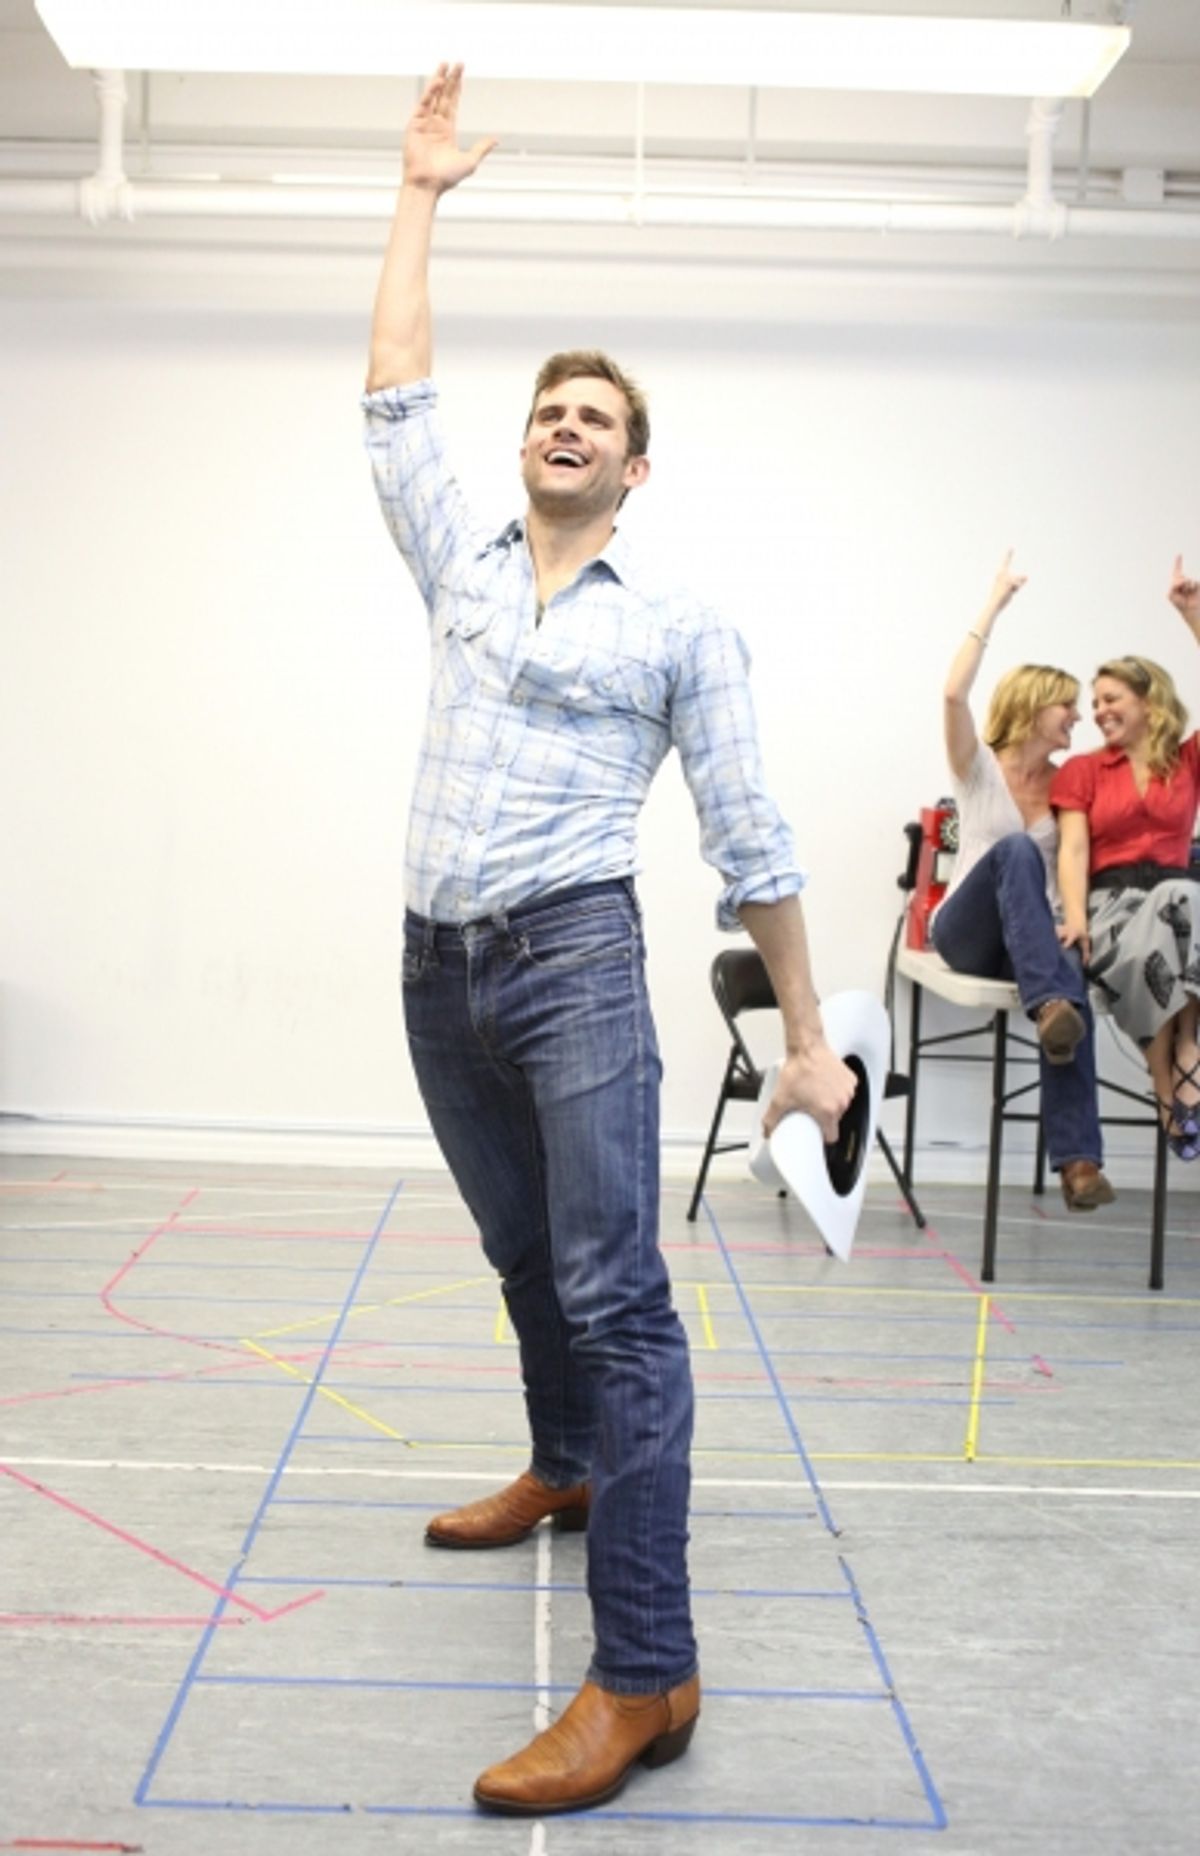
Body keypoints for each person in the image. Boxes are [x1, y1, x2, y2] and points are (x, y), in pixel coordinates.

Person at [361, 64, 856, 1817]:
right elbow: (394, 395)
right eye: (548, 409)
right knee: (522, 1255)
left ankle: (647, 1670)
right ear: (528, 446)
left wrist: (807, 1037)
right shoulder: (467, 564)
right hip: (438, 962)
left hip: (571, 963)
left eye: (597, 419)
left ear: (633, 469)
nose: (564, 426)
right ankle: (562, 1468)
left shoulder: (687, 625)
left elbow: (753, 838)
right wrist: (420, 192)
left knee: (618, 1299)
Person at [930, 553, 1114, 1211]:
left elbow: (1073, 865)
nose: (1078, 719)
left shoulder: (1069, 790)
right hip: (965, 933)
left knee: (1067, 985)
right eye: (1068, 706)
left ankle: (1080, 1164)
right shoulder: (976, 767)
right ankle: (1052, 1003)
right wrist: (994, 602)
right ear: (1037, 707)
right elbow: (953, 694)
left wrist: (1075, 925)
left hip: (1026, 944)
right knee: (1013, 850)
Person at [1052, 557, 1200, 1158]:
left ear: (1148, 701)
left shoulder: (1186, 761)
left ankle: (1173, 1086)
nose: (1098, 710)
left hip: (1178, 903)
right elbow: (1073, 849)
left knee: (1181, 902)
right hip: (1112, 910)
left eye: (1111, 697)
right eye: (1094, 702)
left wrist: (1193, 616)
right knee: (1172, 917)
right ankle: (1184, 1073)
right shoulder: (1085, 770)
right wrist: (1077, 917)